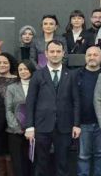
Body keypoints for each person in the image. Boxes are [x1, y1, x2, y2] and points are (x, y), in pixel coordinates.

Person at [25, 40, 80, 176]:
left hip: (64, 126)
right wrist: (29, 126)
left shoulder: (71, 75)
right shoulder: (37, 75)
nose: (55, 54)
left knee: (63, 163)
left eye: (58, 51)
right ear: (46, 54)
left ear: (63, 53)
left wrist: (76, 124)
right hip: (42, 126)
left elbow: (76, 101)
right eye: (52, 51)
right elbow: (30, 102)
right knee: (41, 164)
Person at [75, 46, 101, 176]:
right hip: (83, 123)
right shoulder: (76, 74)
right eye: (89, 55)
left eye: (95, 55)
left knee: (100, 155)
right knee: (83, 156)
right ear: (85, 57)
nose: (92, 57)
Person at [0, 53, 18, 176]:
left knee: (13, 154)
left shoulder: (18, 80)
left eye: (5, 62)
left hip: (15, 123)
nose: (2, 65)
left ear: (10, 64)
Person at [5, 60, 35, 176]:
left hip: (35, 132)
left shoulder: (39, 86)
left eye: (25, 69)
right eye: (20, 69)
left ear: (31, 70)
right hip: (15, 132)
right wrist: (19, 128)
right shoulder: (11, 88)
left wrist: (32, 128)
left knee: (34, 164)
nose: (23, 71)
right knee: (18, 165)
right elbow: (8, 110)